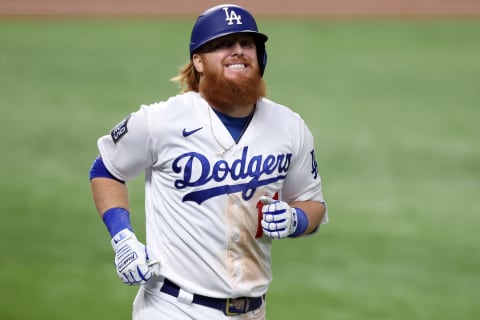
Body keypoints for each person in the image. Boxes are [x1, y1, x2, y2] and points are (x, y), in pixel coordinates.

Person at [89, 4, 328, 320]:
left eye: (247, 43)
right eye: (223, 44)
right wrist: (122, 237)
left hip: (253, 311)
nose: (238, 51)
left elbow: (313, 204)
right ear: (198, 61)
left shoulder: (289, 126)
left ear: (260, 57)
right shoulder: (162, 121)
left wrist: (295, 219)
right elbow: (106, 168)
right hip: (172, 307)